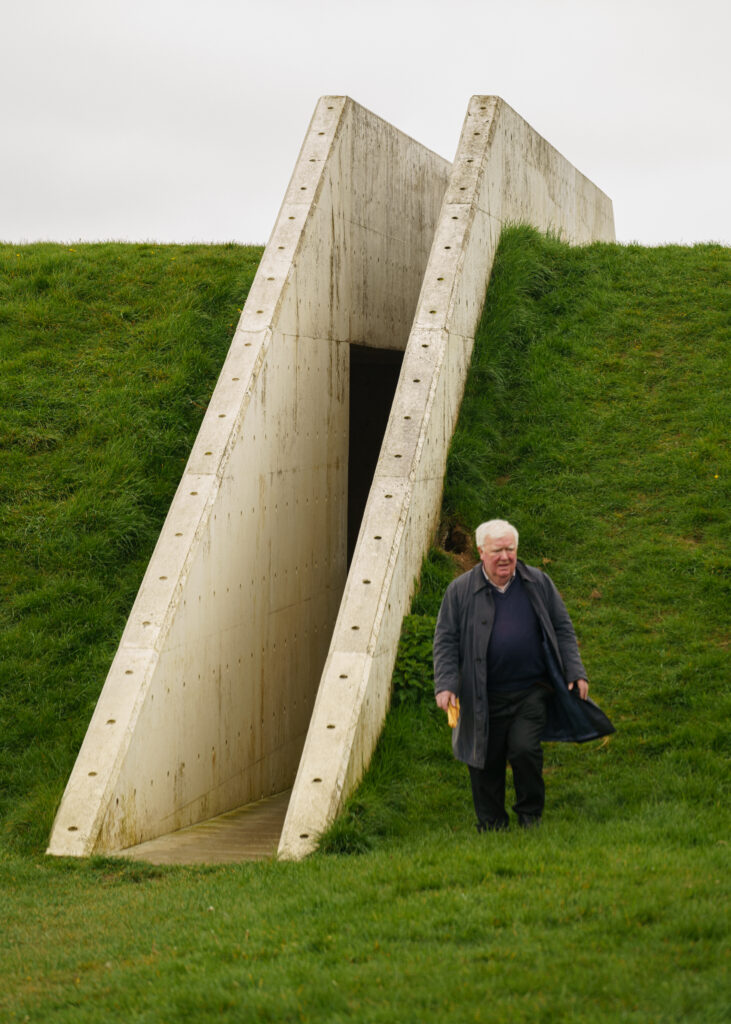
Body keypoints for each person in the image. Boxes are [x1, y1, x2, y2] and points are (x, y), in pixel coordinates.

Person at [433, 519, 607, 832]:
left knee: (525, 750)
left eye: (510, 549)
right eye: (497, 550)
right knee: (484, 759)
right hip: (481, 694)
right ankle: (492, 824)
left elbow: (563, 628)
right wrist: (445, 685)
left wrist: (575, 671)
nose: (505, 557)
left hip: (530, 691)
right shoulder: (459, 591)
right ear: (481, 552)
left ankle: (530, 818)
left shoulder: (538, 583)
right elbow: (445, 639)